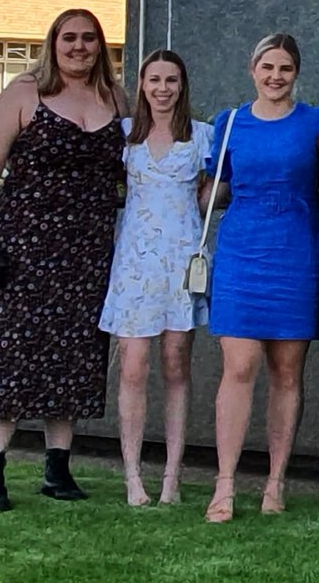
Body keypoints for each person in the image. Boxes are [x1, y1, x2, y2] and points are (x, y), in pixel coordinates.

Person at [0, 8, 127, 512]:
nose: (79, 46)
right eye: (69, 37)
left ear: (100, 45)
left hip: (88, 251)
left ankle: (58, 468)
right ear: (53, 42)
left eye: (88, 38)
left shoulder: (116, 98)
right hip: (25, 247)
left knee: (74, 356)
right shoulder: (23, 94)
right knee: (10, 356)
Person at [204, 33, 319, 522]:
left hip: (295, 251)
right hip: (241, 251)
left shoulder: (318, 122)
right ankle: (224, 483)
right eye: (268, 67)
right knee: (238, 367)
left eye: (285, 68)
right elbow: (214, 190)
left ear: (296, 72)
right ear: (252, 69)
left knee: (287, 371)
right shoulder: (229, 122)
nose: (276, 76)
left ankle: (276, 481)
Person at [99, 49, 212, 506]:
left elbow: (219, 184)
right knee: (133, 365)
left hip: (181, 260)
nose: (163, 89)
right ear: (142, 84)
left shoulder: (202, 135)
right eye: (154, 80)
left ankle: (171, 477)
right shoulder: (124, 134)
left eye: (171, 80)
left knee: (176, 363)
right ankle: (132, 476)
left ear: (182, 86)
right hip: (135, 262)